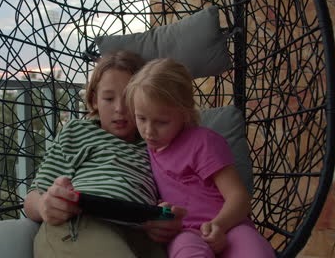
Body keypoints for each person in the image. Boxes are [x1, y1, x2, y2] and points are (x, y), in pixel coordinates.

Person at [23, 50, 185, 258]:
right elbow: (31, 199)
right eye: (108, 98)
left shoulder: (158, 144)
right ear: (94, 100)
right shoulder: (78, 132)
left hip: (143, 234)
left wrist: (167, 218)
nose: (119, 108)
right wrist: (45, 204)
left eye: (129, 98)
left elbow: (181, 198)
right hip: (85, 224)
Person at [125, 58, 276, 258]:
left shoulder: (203, 142)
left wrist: (219, 226)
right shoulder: (143, 151)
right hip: (185, 232)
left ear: (185, 113)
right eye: (141, 118)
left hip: (230, 226)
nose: (148, 131)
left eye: (161, 122)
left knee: (255, 252)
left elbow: (238, 197)